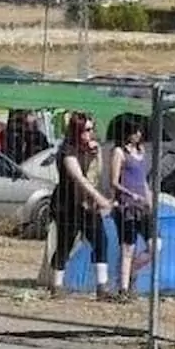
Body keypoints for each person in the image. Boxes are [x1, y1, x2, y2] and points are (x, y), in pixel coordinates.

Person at [46, 112, 116, 301]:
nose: (91, 133)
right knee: (65, 244)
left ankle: (102, 286)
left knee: (101, 241)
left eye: (92, 129)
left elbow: (97, 174)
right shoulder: (67, 152)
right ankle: (56, 285)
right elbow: (80, 179)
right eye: (87, 130)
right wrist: (100, 198)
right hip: (67, 203)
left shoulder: (92, 149)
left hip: (88, 205)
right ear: (76, 131)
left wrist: (96, 155)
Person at [110, 118, 158, 301]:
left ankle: (132, 271)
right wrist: (131, 194)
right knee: (127, 248)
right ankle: (123, 289)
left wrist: (148, 198)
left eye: (140, 131)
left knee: (155, 246)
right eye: (135, 131)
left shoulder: (141, 151)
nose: (139, 134)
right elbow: (114, 182)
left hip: (142, 206)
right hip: (127, 207)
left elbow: (143, 180)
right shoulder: (119, 152)